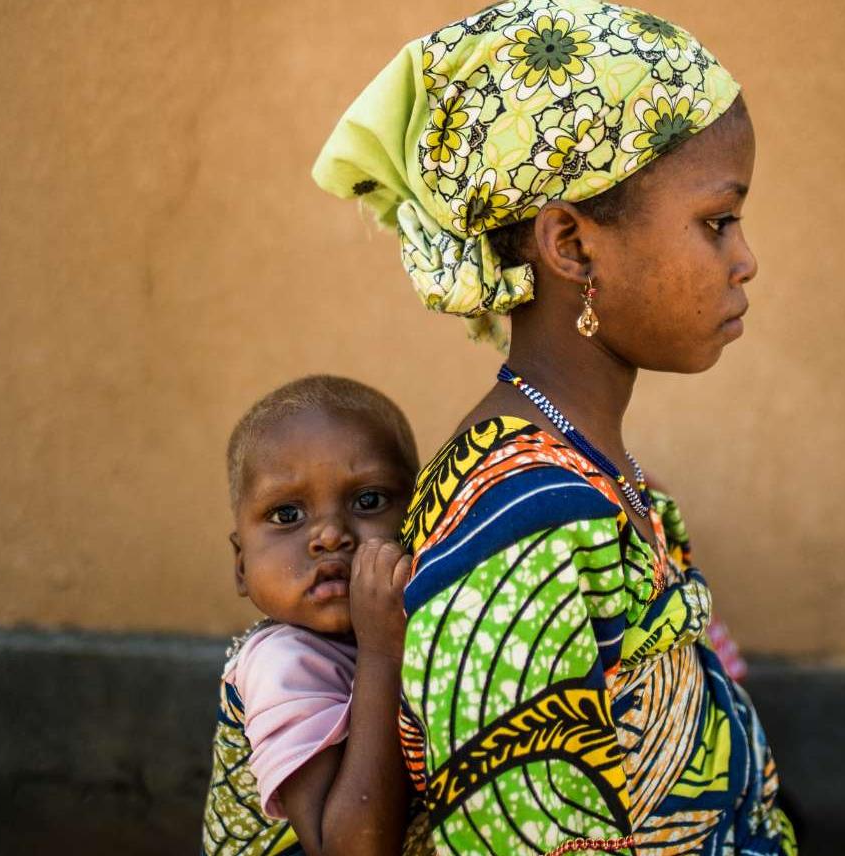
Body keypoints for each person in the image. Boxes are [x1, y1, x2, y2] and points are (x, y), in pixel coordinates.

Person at [312, 1, 795, 853]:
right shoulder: (524, 529)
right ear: (569, 245)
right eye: (717, 221)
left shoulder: (587, 470)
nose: (744, 258)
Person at [200, 375, 421, 856]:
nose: (330, 535)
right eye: (287, 515)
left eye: (368, 501)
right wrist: (383, 653)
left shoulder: (413, 620)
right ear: (241, 567)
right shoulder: (281, 665)